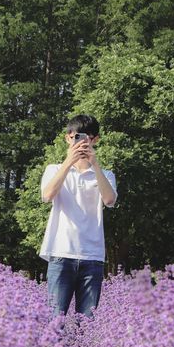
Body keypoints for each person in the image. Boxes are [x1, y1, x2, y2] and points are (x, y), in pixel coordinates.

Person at [40, 114, 117, 318]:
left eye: (88, 138)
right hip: (60, 253)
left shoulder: (106, 175)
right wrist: (68, 162)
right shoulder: (54, 169)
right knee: (55, 320)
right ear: (68, 138)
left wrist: (95, 165)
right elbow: (47, 196)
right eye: (77, 137)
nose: (83, 143)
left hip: (92, 257)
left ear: (96, 140)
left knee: (87, 323)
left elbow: (109, 200)